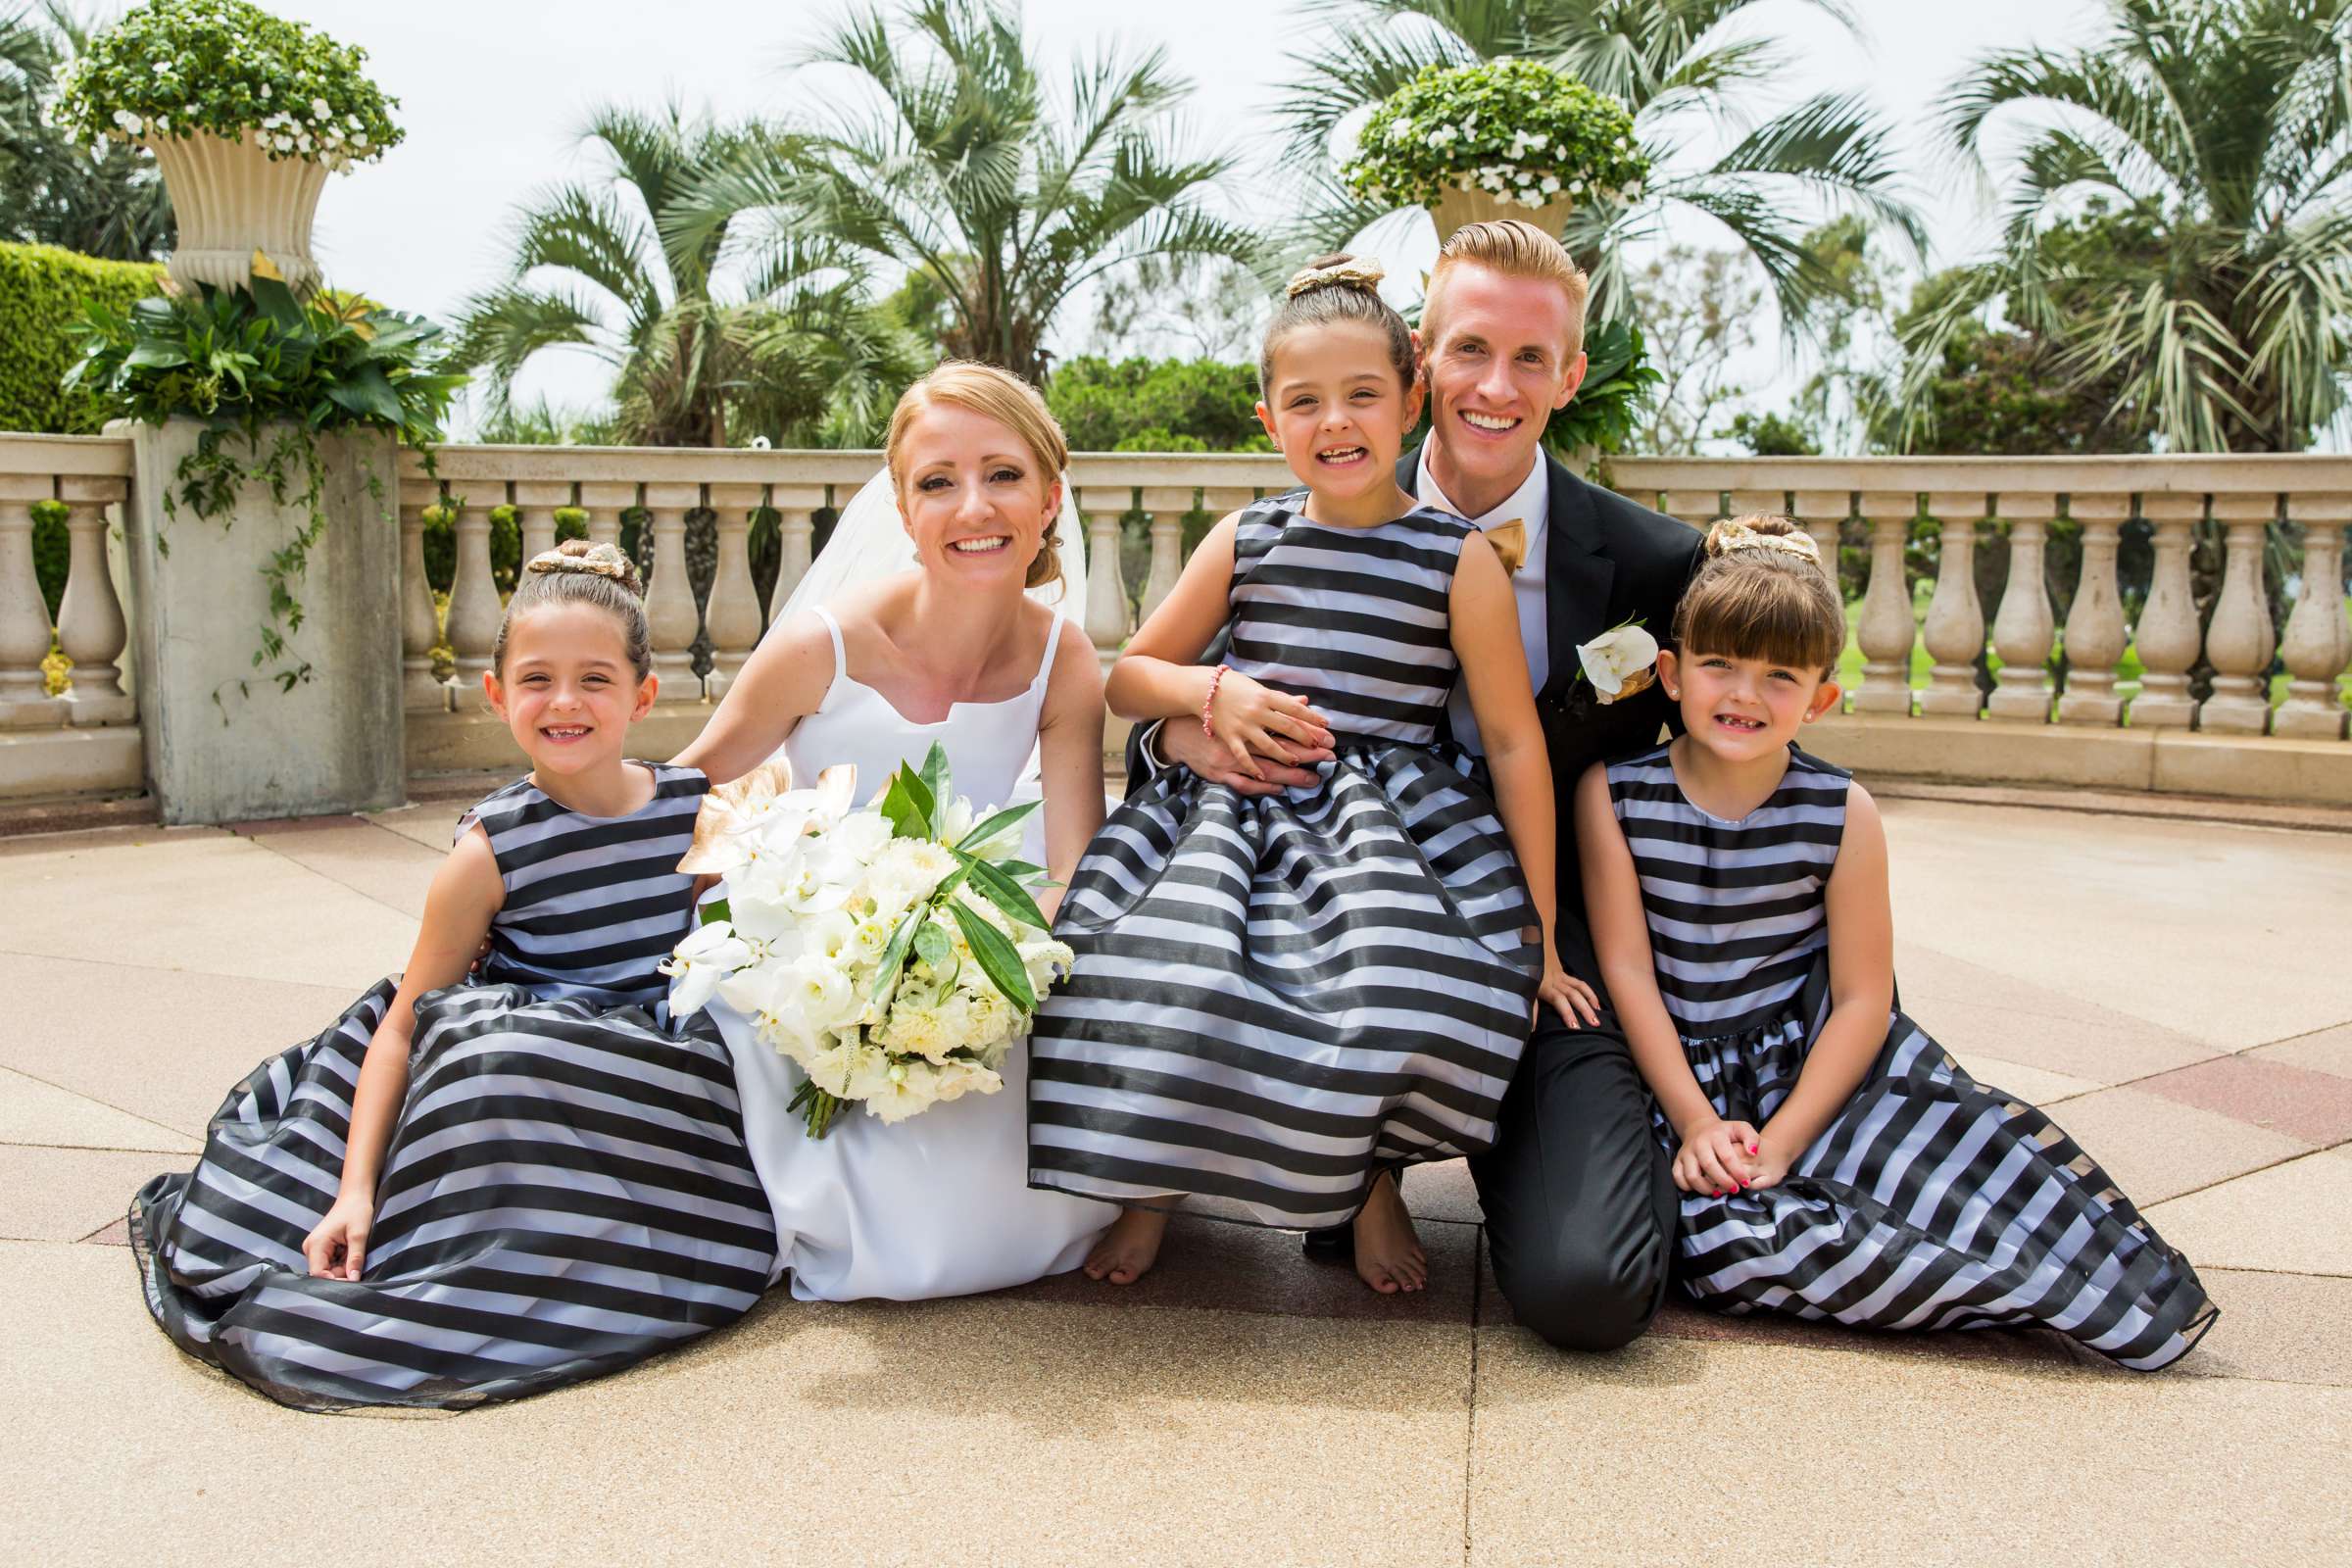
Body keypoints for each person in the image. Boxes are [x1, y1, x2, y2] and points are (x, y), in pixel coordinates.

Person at [1138, 220, 1701, 1346]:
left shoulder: (1655, 566)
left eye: (1530, 359)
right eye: (1470, 351)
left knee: (1588, 1287)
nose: (1496, 387)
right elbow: (1146, 701)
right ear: (1420, 365)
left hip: (1542, 950)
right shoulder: (1310, 504)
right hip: (1333, 914)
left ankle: (1457, 1149)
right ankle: (1338, 1160)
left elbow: (1711, 774)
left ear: (1570, 375)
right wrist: (1199, 729)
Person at [1027, 254, 1578, 1296]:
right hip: (1230, 814)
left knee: (1380, 985)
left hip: (1382, 827)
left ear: (1412, 400)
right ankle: (1152, 1185)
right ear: (1267, 420)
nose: (1338, 422)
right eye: (1306, 401)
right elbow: (1131, 677)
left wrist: (1540, 933)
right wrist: (1210, 695)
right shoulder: (1247, 538)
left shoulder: (1455, 558)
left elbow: (1512, 741)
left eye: (1364, 394)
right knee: (1165, 968)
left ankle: (1369, 1179)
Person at [129, 542, 777, 1411]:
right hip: (520, 1081)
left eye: (595, 679)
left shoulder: (695, 812)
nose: (566, 703)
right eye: (538, 679)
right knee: (495, 1046)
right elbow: (405, 1020)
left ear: (643, 695)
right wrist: (354, 1192)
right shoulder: (490, 850)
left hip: (639, 1079)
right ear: (498, 694)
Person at [1578, 516, 2218, 1368]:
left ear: (1820, 699)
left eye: (1780, 677)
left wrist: (1785, 1142)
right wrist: (1697, 1122)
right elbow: (1627, 970)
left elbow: (1862, 999)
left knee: (1965, 1179)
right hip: (1675, 1073)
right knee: (1724, 1244)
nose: (1744, 694)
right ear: (1671, 671)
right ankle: (1915, 1271)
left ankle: (2025, 1281)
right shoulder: (1616, 797)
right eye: (1719, 663)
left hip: (1819, 1070)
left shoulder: (1842, 812)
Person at [675, 361, 1117, 1302]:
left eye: (1003, 474)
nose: (974, 507)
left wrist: (973, 973)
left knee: (1005, 1182)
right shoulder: (822, 645)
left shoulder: (1061, 657)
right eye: (936, 482)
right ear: (903, 511)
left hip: (960, 947)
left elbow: (1074, 869)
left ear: (1051, 495)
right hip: (795, 954)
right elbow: (687, 793)